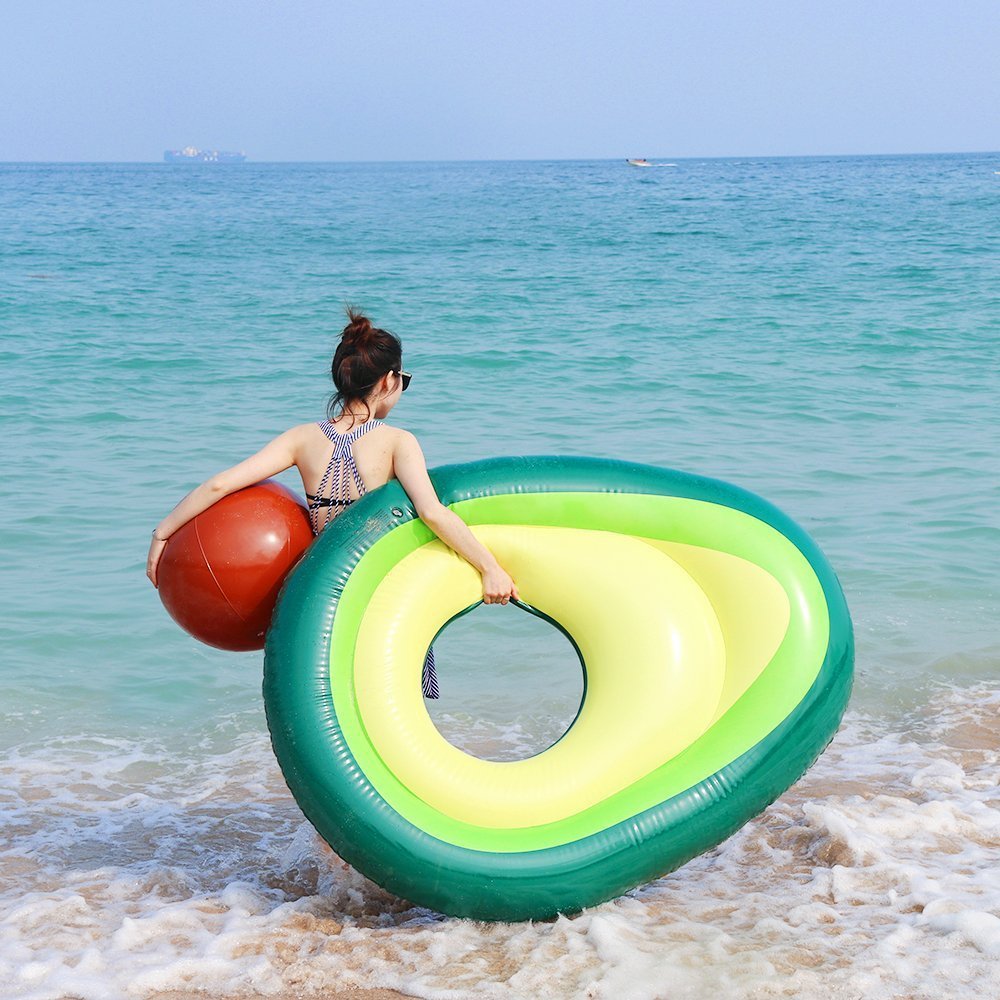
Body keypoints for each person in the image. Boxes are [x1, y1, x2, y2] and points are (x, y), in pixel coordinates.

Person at [145, 307, 520, 699]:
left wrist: (162, 533)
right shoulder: (396, 441)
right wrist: (490, 568)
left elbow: (220, 485)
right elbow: (431, 513)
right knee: (391, 702)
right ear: (389, 380)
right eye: (403, 380)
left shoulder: (302, 439)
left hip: (325, 594)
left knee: (339, 700)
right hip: (379, 589)